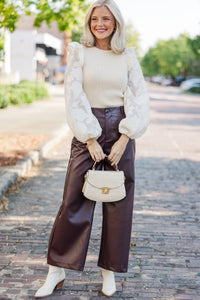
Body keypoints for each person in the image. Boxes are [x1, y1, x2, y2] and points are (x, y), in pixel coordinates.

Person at [34, 0, 149, 298]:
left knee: (118, 205)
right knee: (73, 201)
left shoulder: (127, 56)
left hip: (121, 129)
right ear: (89, 22)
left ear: (116, 23)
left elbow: (138, 99)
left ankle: (109, 272)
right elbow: (73, 96)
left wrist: (125, 137)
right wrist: (89, 138)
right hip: (89, 129)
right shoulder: (79, 52)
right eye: (95, 18)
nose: (100, 23)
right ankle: (56, 270)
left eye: (106, 18)